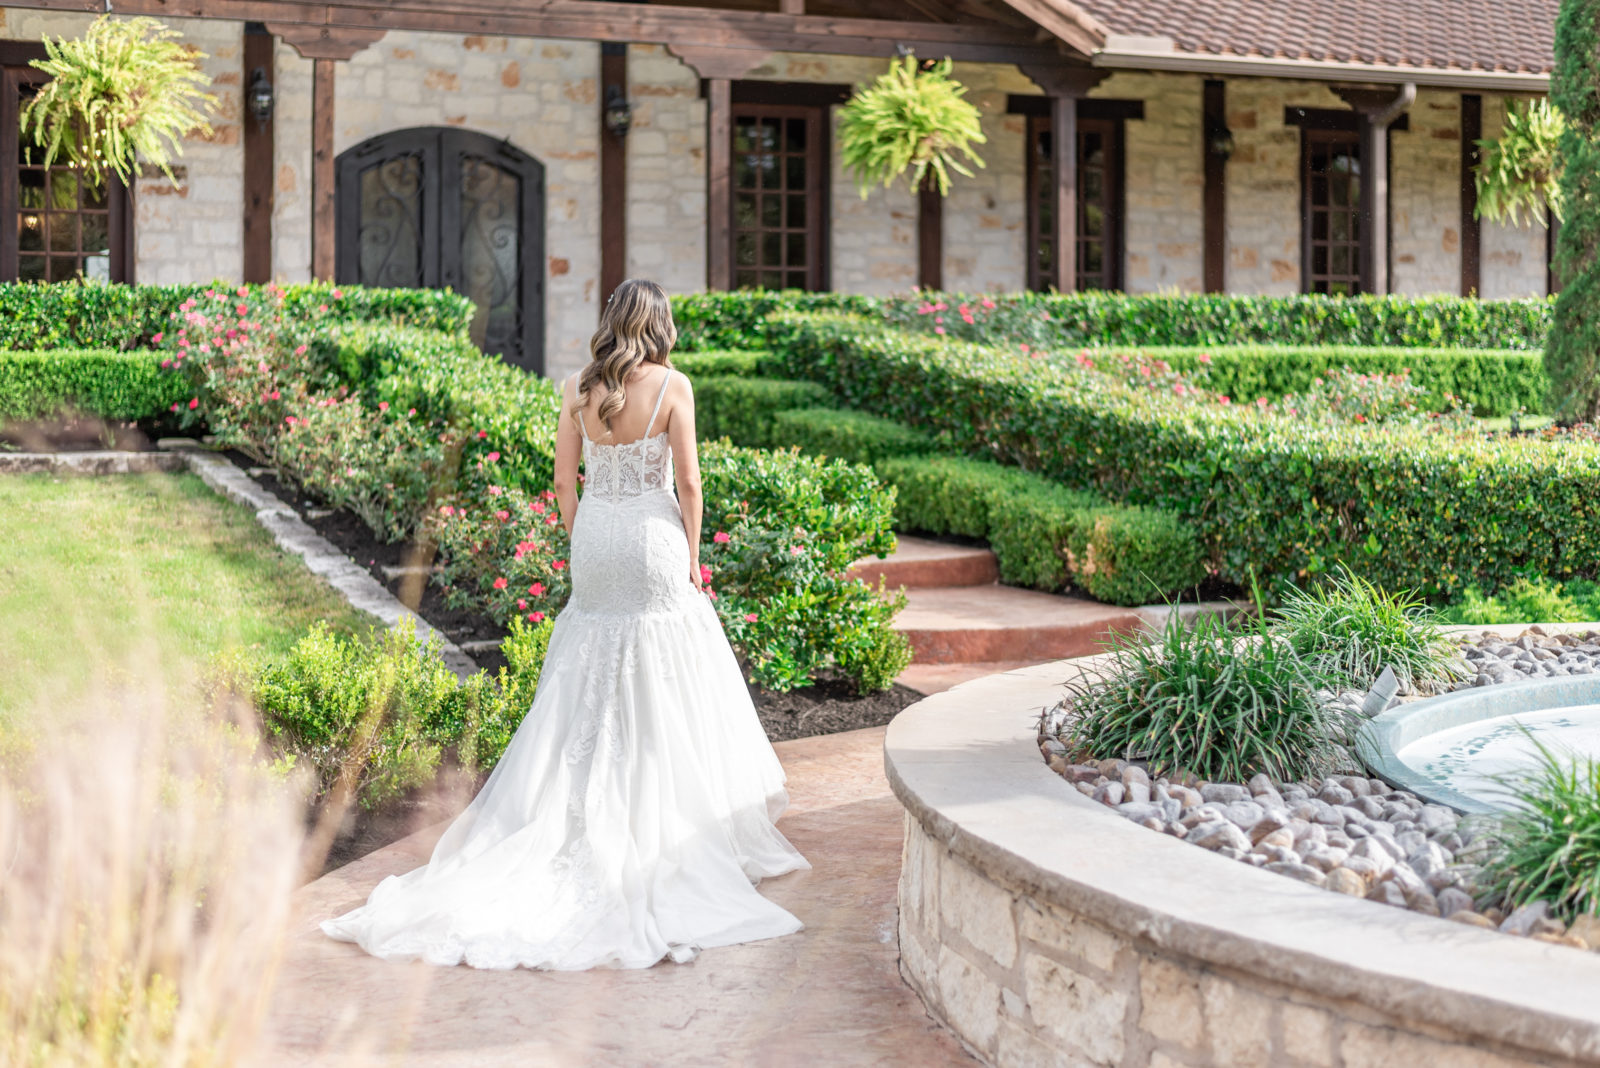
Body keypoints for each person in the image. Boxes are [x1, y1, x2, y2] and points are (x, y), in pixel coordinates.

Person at [322, 279, 808, 970]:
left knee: (592, 661)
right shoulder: (674, 385)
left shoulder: (578, 388)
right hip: (652, 537)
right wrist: (693, 559)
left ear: (611, 322)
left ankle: (570, 816)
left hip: (599, 538)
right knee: (663, 664)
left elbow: (562, 483)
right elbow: (691, 485)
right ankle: (669, 822)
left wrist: (586, 537)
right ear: (660, 325)